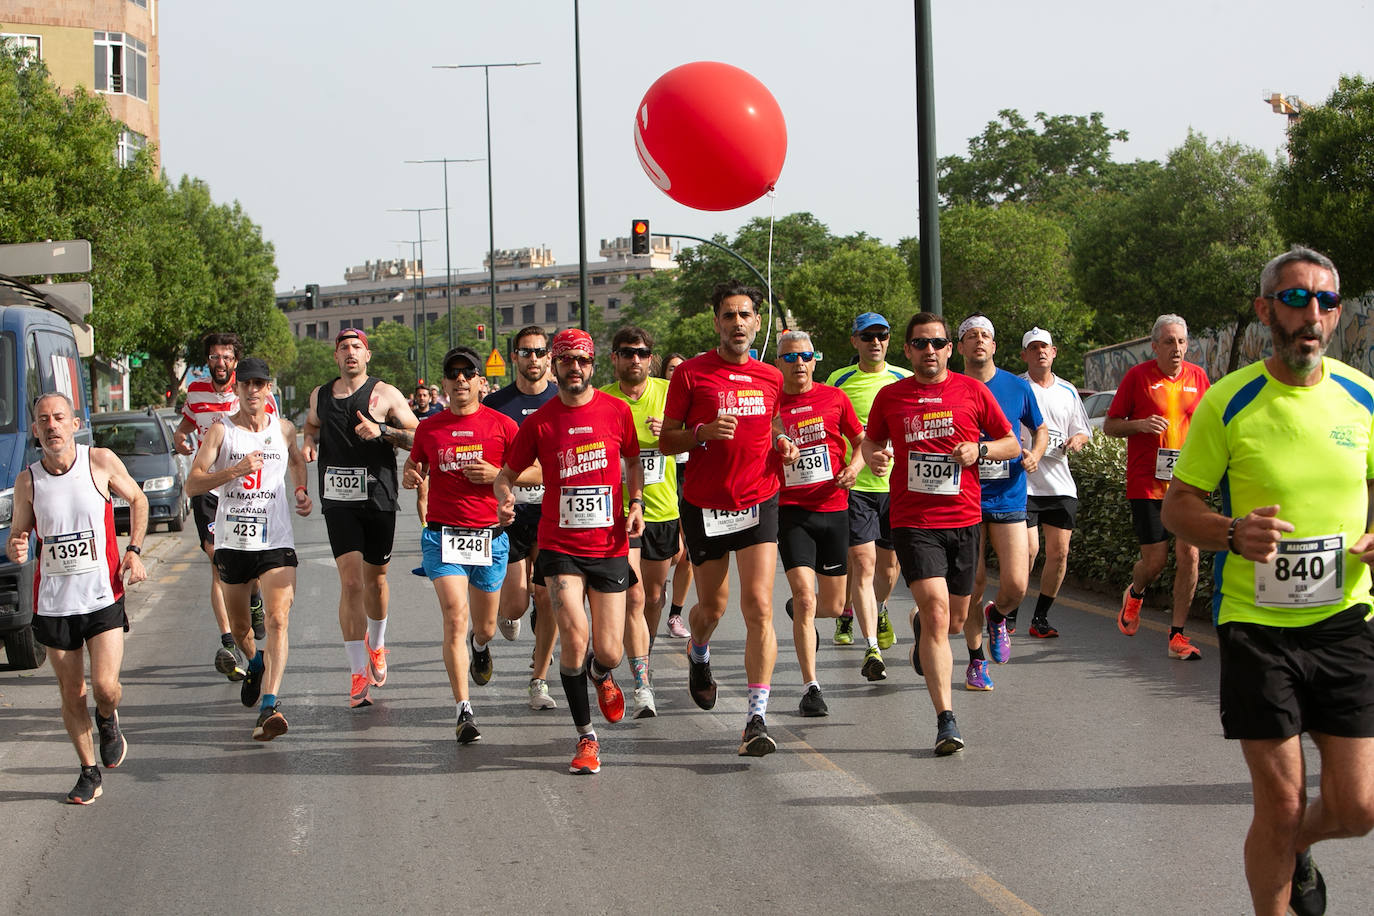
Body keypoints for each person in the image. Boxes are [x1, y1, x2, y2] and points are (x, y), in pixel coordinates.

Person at [1160, 247, 1374, 916]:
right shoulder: (1231, 401)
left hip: (1344, 620)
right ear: (1265, 311)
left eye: (1325, 302)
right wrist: (1230, 534)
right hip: (1258, 627)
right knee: (1279, 803)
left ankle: (1295, 847)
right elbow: (1178, 505)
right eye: (1295, 299)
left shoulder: (1362, 395)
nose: (1312, 315)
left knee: (1358, 808)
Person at [862, 312, 1018, 755]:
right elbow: (872, 442)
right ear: (907, 350)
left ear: (949, 348)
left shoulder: (973, 391)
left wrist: (980, 448)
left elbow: (1012, 443)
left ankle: (917, 628)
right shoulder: (891, 397)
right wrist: (874, 457)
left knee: (950, 621)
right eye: (919, 343)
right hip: (914, 522)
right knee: (934, 611)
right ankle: (946, 720)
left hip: (964, 519)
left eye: (937, 343)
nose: (929, 350)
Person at [660, 281, 800, 757]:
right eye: (728, 315)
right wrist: (701, 432)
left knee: (759, 606)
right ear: (715, 321)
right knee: (712, 609)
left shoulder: (770, 377)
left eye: (745, 315)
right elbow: (668, 441)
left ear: (757, 323)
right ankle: (698, 651)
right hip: (705, 505)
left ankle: (756, 718)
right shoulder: (691, 375)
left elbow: (775, 420)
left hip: (760, 498)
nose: (737, 323)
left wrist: (782, 440)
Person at [495, 329, 642, 774]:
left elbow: (634, 460)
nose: (573, 368)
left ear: (593, 365)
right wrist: (503, 498)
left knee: (611, 651)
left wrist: (636, 502)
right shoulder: (540, 421)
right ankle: (586, 738)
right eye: (566, 361)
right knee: (575, 640)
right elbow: (506, 473)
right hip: (559, 546)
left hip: (609, 544)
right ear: (556, 368)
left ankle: (601, 675)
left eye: (581, 360)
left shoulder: (617, 411)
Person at [5, 392, 148, 804]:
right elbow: (20, 533)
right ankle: (88, 772)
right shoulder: (27, 480)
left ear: (74, 422)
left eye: (59, 417)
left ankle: (108, 717)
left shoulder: (98, 461)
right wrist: (17, 546)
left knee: (104, 687)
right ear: (35, 430)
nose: (51, 425)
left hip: (102, 596)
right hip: (54, 604)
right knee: (72, 693)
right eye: (43, 420)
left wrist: (134, 551)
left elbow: (137, 499)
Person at [187, 358, 312, 741]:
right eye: (247, 384)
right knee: (242, 627)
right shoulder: (221, 432)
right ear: (237, 390)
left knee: (277, 619)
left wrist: (301, 490)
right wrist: (233, 472)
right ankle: (256, 662)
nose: (253, 390)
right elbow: (193, 484)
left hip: (275, 541)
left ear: (268, 388)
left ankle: (269, 705)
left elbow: (295, 462)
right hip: (233, 541)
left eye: (260, 383)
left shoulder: (284, 429)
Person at [403, 346, 519, 744]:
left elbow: (535, 469)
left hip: (490, 536)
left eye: (468, 373)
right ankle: (463, 710)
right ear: (446, 383)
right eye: (453, 374)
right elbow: (417, 462)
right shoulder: (430, 428)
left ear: (480, 381)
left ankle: (480, 645)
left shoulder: (503, 426)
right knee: (455, 615)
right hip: (443, 535)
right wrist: (411, 474)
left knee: (484, 625)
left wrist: (499, 475)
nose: (461, 380)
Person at [301, 329, 418, 709]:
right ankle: (355, 673)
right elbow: (312, 424)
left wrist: (382, 430)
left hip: (379, 498)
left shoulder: (386, 394)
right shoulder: (320, 395)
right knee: (350, 582)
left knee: (376, 581)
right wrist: (307, 442)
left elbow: (420, 437)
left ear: (367, 355)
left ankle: (377, 643)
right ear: (335, 356)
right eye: (343, 349)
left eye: (357, 348)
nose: (350, 354)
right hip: (338, 500)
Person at [1104, 314, 1210, 660]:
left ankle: (1177, 635)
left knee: (1189, 555)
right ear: (1155, 346)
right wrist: (1139, 424)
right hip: (1146, 484)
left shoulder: (1199, 377)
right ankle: (1135, 592)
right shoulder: (1138, 377)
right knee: (1155, 562)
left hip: (1188, 483)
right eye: (1168, 341)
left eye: (1181, 341)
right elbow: (1110, 426)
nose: (1176, 348)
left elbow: (1210, 426)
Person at [173, 332, 273, 682]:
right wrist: (180, 437)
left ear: (235, 360)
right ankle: (229, 641)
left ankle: (255, 598)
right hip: (209, 488)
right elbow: (187, 425)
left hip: (245, 490)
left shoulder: (251, 390)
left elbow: (271, 431)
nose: (221, 363)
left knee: (251, 565)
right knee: (218, 560)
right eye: (215, 357)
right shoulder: (196, 392)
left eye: (227, 357)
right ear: (208, 360)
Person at [776, 330, 866, 715]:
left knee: (831, 604)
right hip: (791, 511)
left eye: (806, 356)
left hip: (834, 508)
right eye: (791, 357)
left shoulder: (835, 397)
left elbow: (864, 441)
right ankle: (811, 686)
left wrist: (856, 468)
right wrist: (779, 441)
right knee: (805, 596)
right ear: (779, 362)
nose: (799, 363)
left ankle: (803, 613)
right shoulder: (771, 403)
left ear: (816, 360)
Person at [955, 314, 1046, 691]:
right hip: (962, 496)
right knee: (973, 583)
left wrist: (1036, 454)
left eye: (985, 336)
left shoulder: (1015, 386)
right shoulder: (952, 386)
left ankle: (999, 615)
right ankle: (976, 661)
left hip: (1008, 494)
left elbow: (1038, 428)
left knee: (1017, 584)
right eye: (971, 336)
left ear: (994, 345)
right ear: (959, 347)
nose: (979, 341)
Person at [601, 326, 680, 717]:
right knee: (633, 597)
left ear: (652, 358)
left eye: (642, 353)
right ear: (614, 358)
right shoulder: (601, 401)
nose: (635, 359)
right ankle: (641, 680)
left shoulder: (669, 393)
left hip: (664, 509)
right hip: (620, 514)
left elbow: (696, 444)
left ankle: (641, 654)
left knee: (652, 597)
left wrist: (671, 435)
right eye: (627, 352)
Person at [483, 326, 560, 710]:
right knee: (515, 604)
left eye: (540, 352)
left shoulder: (563, 399)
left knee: (548, 598)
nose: (533, 359)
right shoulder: (496, 404)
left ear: (549, 357)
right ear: (514, 357)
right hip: (510, 515)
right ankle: (510, 614)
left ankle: (539, 679)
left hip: (553, 513)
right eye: (526, 352)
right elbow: (486, 458)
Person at [825, 312, 909, 655]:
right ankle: (868, 639)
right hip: (856, 486)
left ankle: (877, 607)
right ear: (855, 341)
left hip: (898, 487)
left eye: (882, 336)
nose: (875, 342)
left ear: (889, 340)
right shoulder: (839, 378)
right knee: (862, 563)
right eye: (868, 336)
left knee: (889, 569)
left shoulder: (905, 378)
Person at [1020, 327, 1093, 638]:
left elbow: (1083, 430)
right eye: (1033, 348)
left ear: (1053, 352)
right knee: (1028, 552)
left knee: (1059, 553)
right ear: (1024, 355)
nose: (1040, 352)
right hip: (1023, 483)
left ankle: (1040, 618)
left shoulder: (1067, 390)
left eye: (1044, 347)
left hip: (1060, 484)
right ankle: (1007, 613)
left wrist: (1077, 440)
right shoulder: (1017, 387)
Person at [660, 353, 693, 639]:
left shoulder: (695, 396)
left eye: (683, 368)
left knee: (688, 555)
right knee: (674, 553)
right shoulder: (657, 397)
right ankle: (658, 577)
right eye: (672, 369)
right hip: (662, 478)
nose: (678, 373)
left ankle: (675, 614)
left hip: (690, 474)